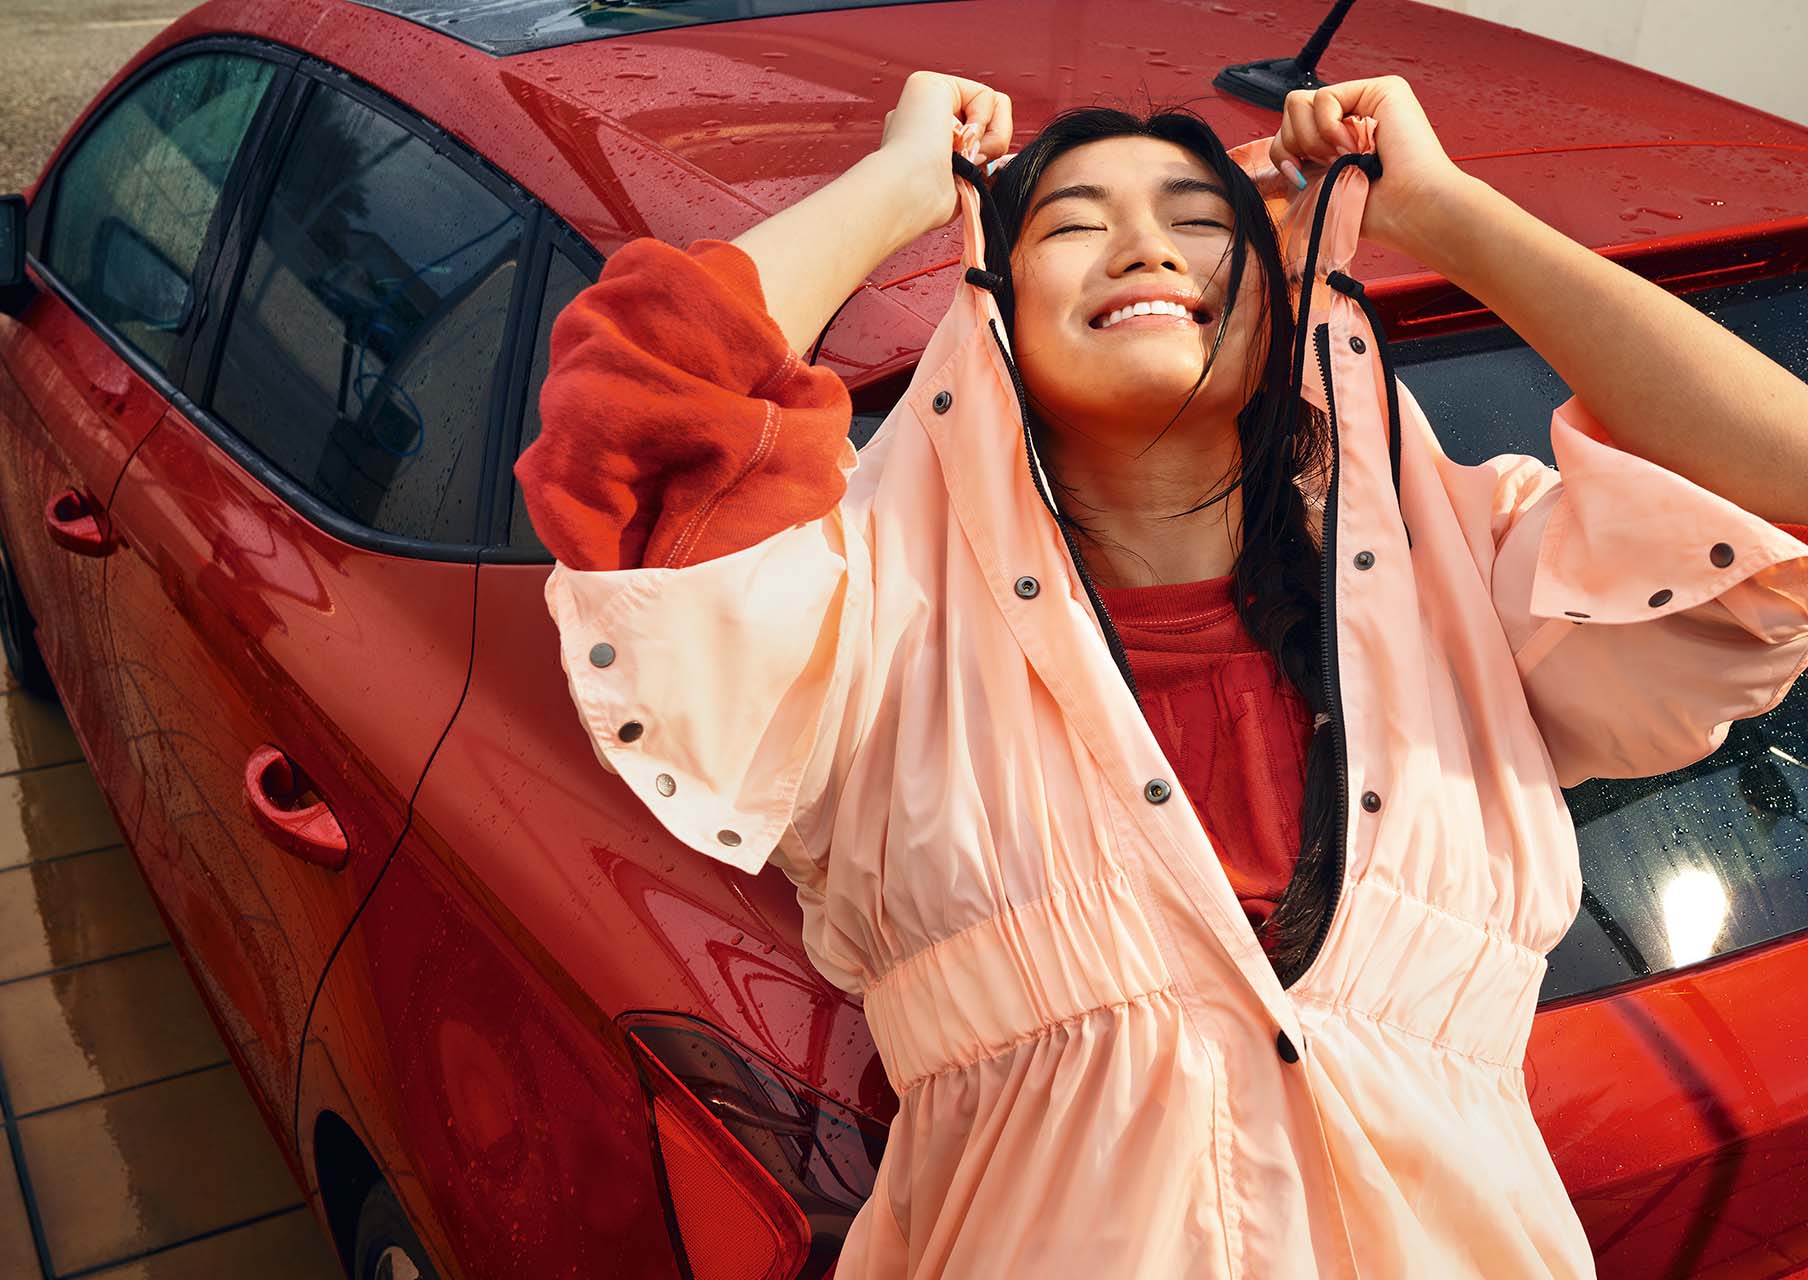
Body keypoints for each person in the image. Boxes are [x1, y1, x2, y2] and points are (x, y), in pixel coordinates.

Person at [516, 71, 1808, 1278]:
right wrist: (911, 183)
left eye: (1202, 223)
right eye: (1075, 224)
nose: (1147, 248)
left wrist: (1447, 212)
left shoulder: (1463, 576)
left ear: (1279, 302)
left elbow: (1783, 498)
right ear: (992, 316)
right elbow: (632, 412)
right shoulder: (870, 626)